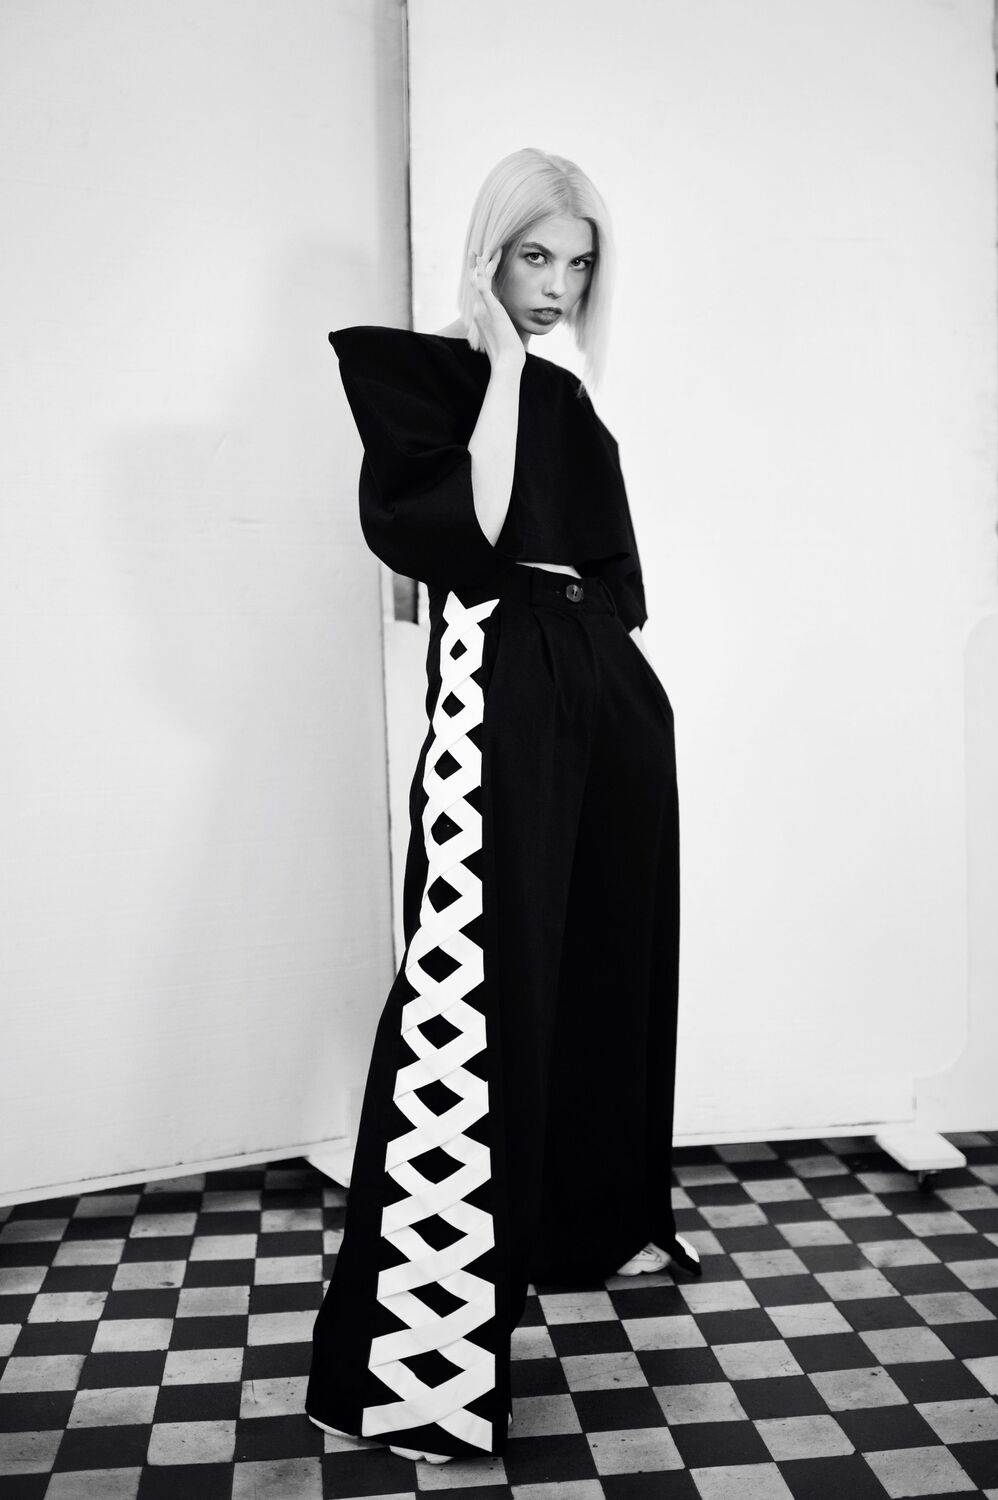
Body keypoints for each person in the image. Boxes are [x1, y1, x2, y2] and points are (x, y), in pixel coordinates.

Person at [305, 147, 698, 1467]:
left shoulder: (567, 392)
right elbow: (464, 541)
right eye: (537, 255)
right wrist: (505, 365)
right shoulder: (424, 380)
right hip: (502, 672)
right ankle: (409, 1372)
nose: (558, 285)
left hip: (602, 680)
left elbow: (613, 571)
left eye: (578, 263)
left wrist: (543, 379)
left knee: (610, 952)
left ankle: (588, 1225)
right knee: (468, 990)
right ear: (490, 251)